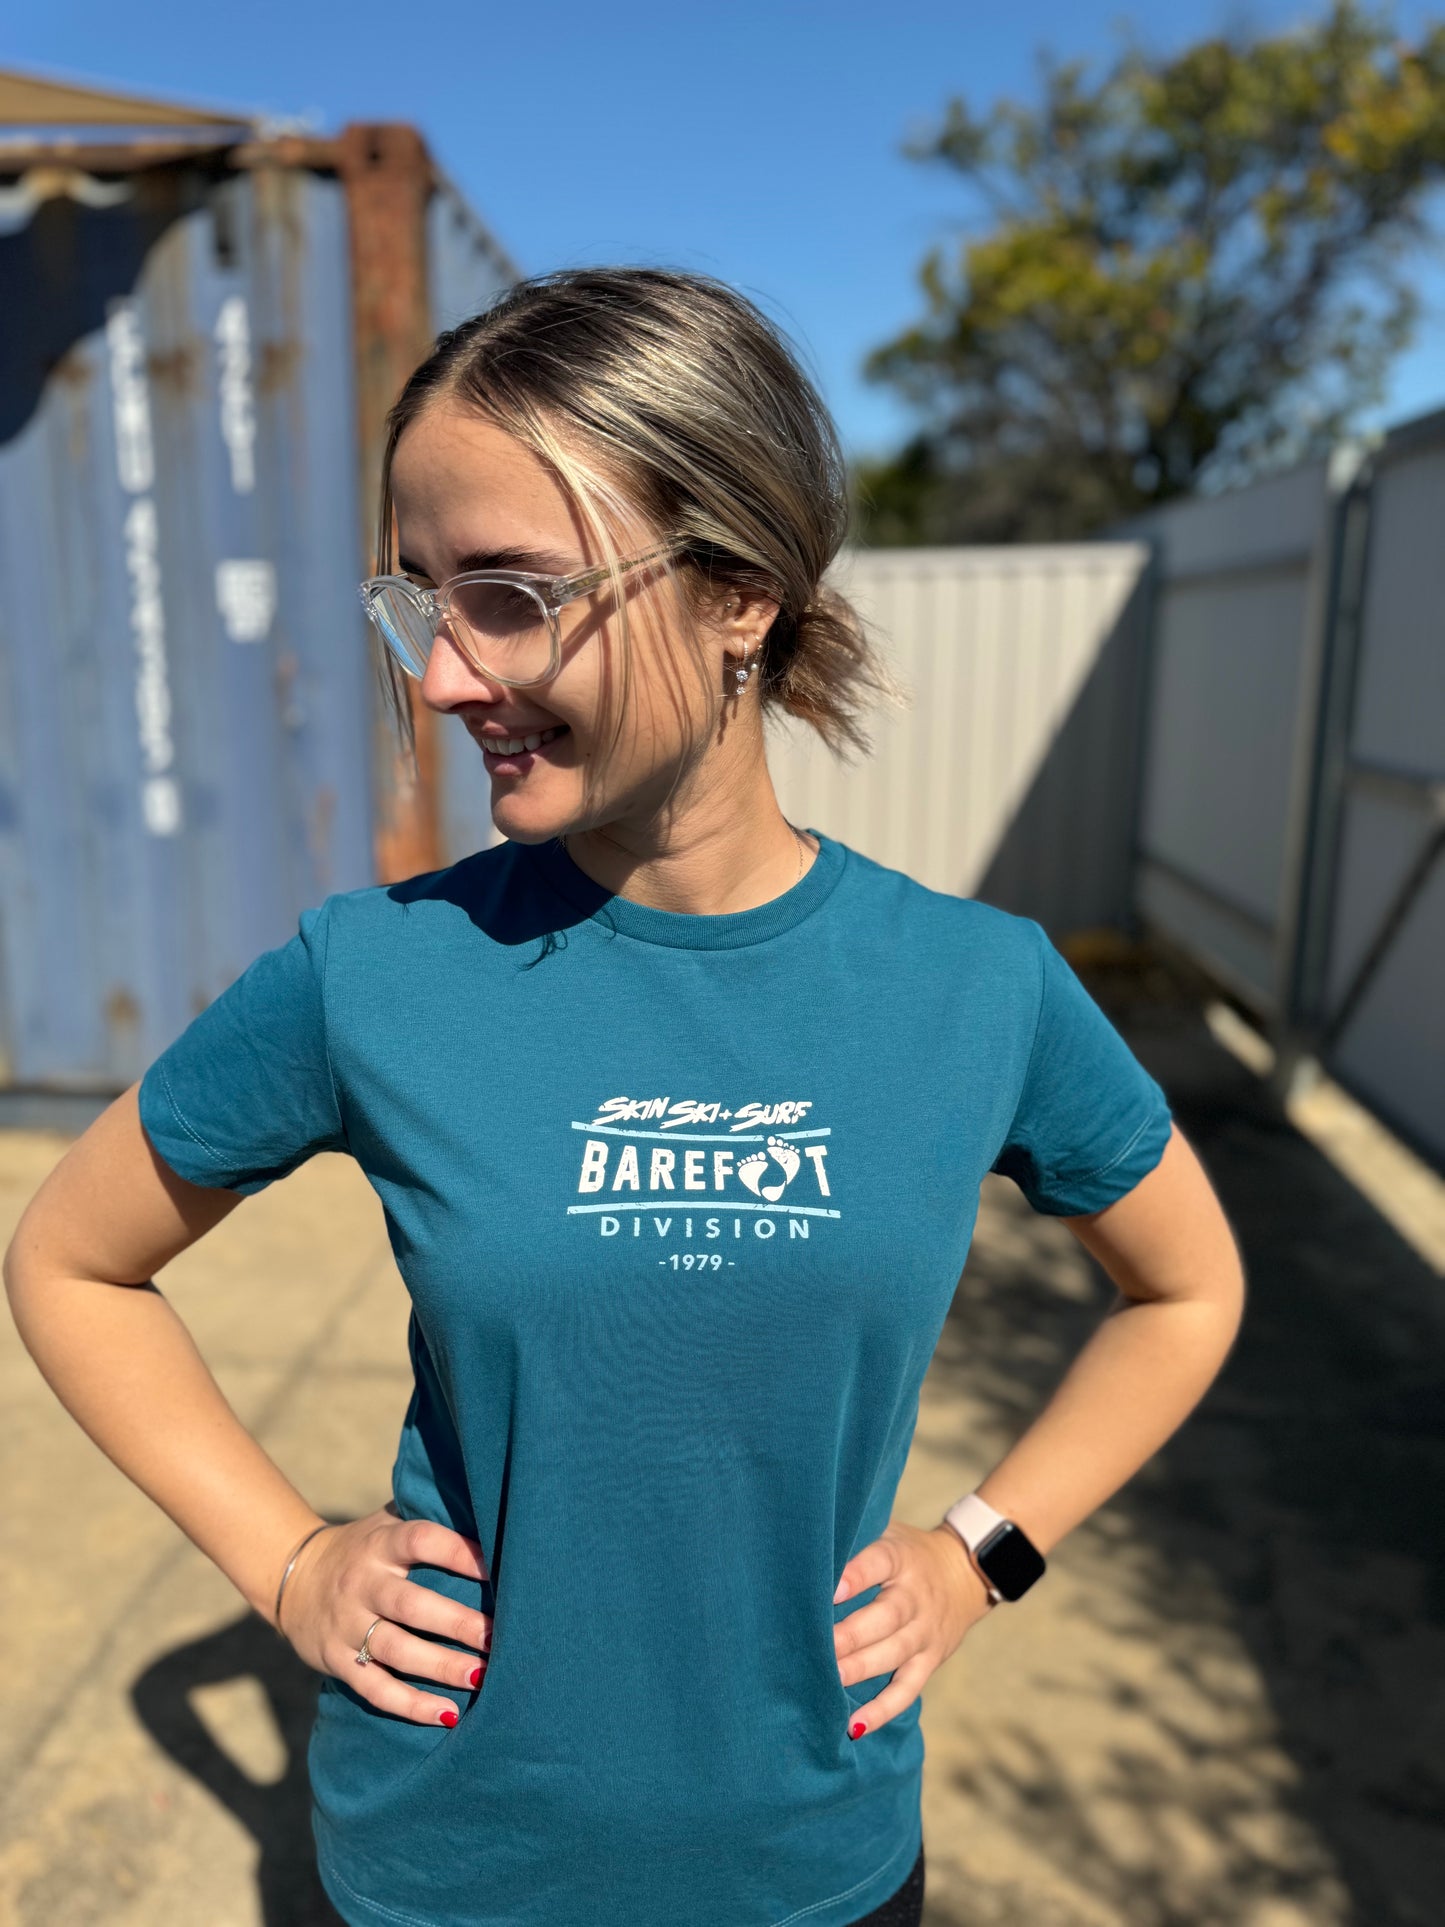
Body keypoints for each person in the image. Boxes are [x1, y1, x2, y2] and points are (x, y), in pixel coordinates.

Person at [4, 267, 1246, 1927]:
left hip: (814, 1862)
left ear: (740, 590)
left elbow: (1184, 1289)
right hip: (452, 1865)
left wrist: (976, 1554)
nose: (445, 677)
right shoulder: (372, 973)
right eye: (422, 600)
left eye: (511, 595)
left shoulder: (978, 987)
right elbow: (74, 1261)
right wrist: (289, 1561)